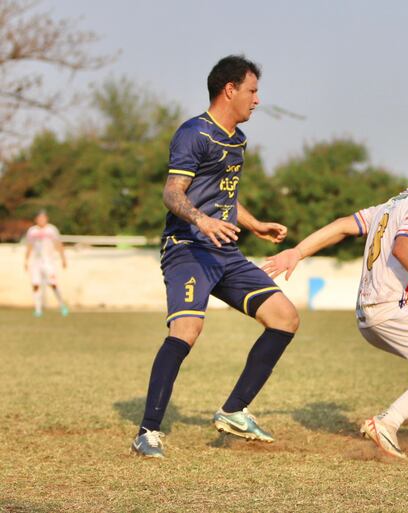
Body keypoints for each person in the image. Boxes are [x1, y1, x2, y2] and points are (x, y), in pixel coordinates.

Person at [131, 55, 300, 458]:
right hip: (188, 249)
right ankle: (147, 431)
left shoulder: (237, 139)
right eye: (252, 91)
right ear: (230, 90)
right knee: (186, 331)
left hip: (225, 252)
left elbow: (226, 196)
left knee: (285, 317)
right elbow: (173, 193)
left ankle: (234, 410)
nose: (257, 100)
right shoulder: (194, 133)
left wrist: (255, 224)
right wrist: (201, 221)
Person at [263, 142, 408, 459]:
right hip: (394, 308)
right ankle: (386, 423)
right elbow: (404, 247)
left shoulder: (391, 205)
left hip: (371, 312)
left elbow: (344, 225)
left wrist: (298, 251)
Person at [24, 210, 69, 317]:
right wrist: (26, 260)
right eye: (39, 218)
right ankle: (38, 309)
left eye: (43, 218)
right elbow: (29, 246)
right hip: (36, 262)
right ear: (36, 219)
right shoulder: (32, 231)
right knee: (35, 284)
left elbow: (58, 244)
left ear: (46, 219)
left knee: (53, 284)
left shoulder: (51, 230)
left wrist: (63, 258)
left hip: (49, 261)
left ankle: (62, 305)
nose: (41, 220)